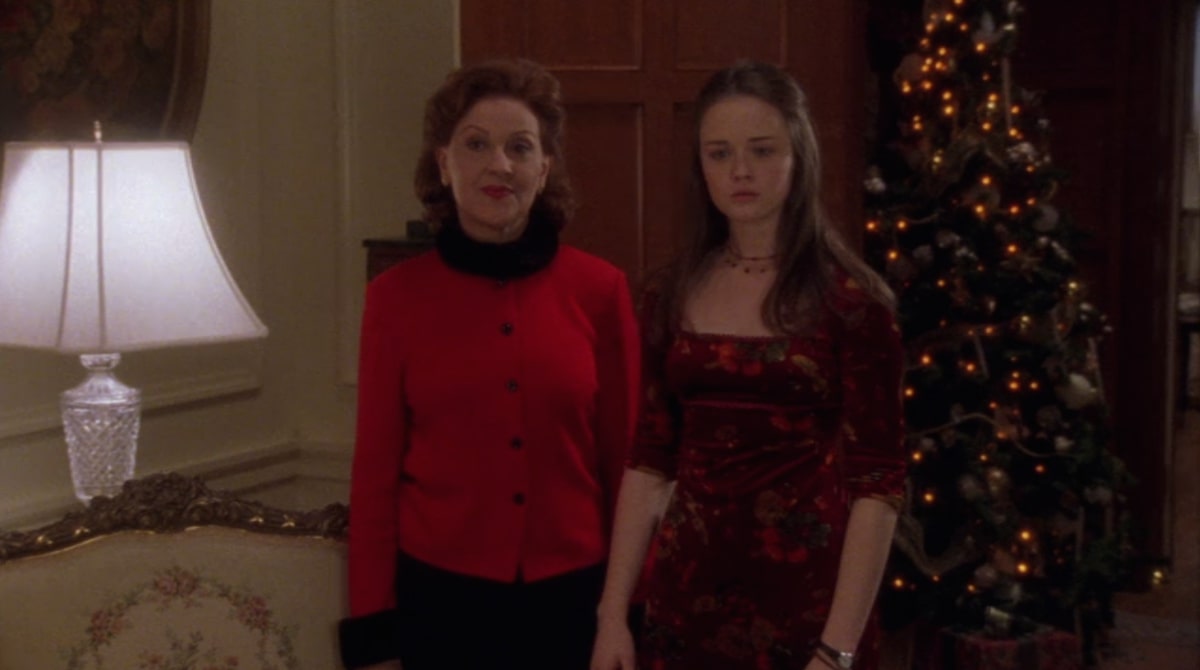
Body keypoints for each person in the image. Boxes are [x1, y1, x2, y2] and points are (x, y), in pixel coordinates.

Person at [590, 60, 907, 670]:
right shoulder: (668, 294)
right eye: (720, 153)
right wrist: (612, 616)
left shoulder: (854, 304)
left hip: (810, 606)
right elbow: (648, 460)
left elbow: (879, 486)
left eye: (762, 150)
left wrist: (836, 650)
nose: (739, 171)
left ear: (798, 156)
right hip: (685, 601)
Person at [338, 59, 640, 670]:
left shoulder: (601, 290)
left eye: (519, 147)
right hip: (441, 609)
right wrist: (374, 635)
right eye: (476, 145)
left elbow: (628, 466)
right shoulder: (395, 299)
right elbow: (374, 479)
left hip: (575, 606)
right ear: (444, 163)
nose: (499, 165)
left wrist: (624, 613)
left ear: (544, 168)